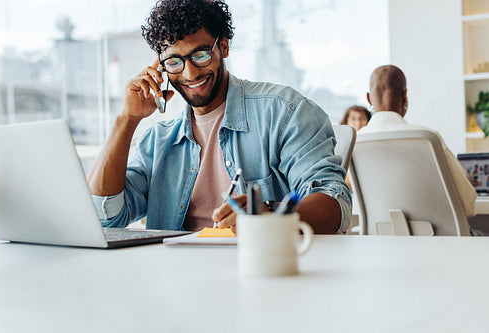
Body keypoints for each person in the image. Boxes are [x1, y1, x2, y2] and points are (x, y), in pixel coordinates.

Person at [86, 0, 351, 234]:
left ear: (223, 46)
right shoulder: (158, 140)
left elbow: (334, 203)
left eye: (200, 55)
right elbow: (105, 216)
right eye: (174, 62)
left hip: (257, 270)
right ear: (161, 67)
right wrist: (127, 119)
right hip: (173, 277)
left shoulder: (284, 112)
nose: (189, 74)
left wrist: (270, 215)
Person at [359, 65, 477, 219]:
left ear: (369, 98)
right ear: (405, 96)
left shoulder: (356, 141)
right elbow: (468, 204)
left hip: (378, 241)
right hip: (436, 241)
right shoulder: (427, 138)